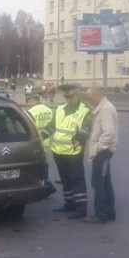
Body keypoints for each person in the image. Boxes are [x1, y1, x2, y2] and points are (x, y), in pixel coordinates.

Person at [40, 84, 91, 219]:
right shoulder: (60, 109)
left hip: (74, 152)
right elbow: (51, 127)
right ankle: (69, 203)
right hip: (58, 151)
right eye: (67, 97)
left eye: (71, 97)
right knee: (65, 179)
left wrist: (80, 139)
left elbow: (86, 128)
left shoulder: (85, 110)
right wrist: (39, 136)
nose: (69, 99)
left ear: (77, 95)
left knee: (77, 179)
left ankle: (81, 208)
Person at [81, 86, 118, 223]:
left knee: (98, 182)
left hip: (103, 151)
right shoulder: (103, 108)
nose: (89, 101)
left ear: (97, 95)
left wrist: (99, 148)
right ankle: (109, 212)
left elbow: (108, 132)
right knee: (105, 181)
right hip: (105, 150)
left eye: (90, 98)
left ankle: (101, 214)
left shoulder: (105, 109)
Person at [25, 91, 56, 197]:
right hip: (48, 141)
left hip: (37, 141)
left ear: (33, 100)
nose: (28, 103)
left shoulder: (31, 111)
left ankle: (45, 186)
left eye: (28, 101)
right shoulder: (48, 110)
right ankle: (45, 186)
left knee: (38, 166)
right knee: (44, 163)